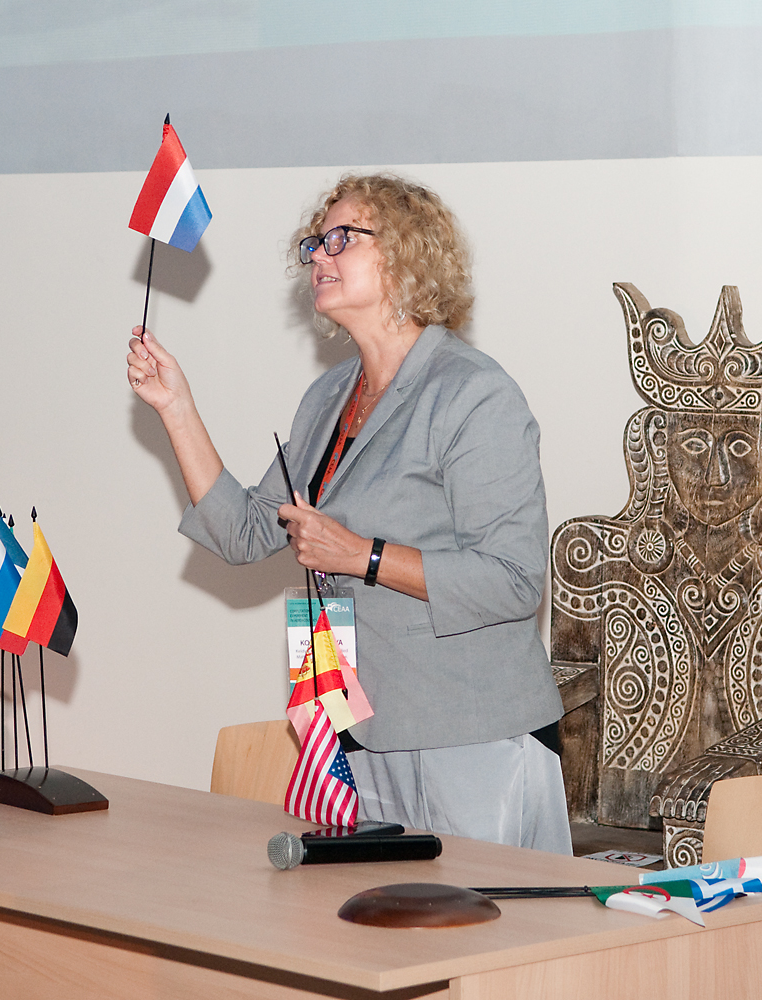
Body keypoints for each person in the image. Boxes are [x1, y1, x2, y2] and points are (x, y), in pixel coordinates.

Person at [128, 174, 570, 853]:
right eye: (315, 243)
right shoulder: (329, 397)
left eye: (342, 239)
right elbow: (245, 533)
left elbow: (512, 581)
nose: (318, 256)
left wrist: (363, 556)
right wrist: (176, 408)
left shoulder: (474, 394)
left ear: (407, 253)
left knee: (476, 921)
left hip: (471, 734)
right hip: (357, 729)